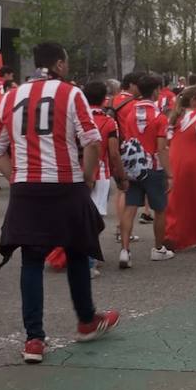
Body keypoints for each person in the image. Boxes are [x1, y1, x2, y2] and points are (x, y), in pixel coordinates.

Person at [0, 41, 119, 364]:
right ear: (59, 65)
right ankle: (86, 320)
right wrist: (87, 178)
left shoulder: (10, 96)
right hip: (65, 182)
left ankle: (34, 339)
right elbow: (91, 140)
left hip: (26, 187)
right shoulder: (70, 93)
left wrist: (15, 175)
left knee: (31, 261)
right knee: (77, 251)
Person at [116, 74, 172, 267]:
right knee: (160, 209)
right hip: (153, 168)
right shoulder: (159, 117)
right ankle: (158, 248)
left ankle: (125, 250)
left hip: (133, 167)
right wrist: (169, 173)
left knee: (130, 207)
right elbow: (162, 147)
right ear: (156, 91)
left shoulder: (131, 113)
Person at [163, 87, 196, 252]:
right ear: (194, 100)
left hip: (174, 159)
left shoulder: (174, 117)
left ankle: (173, 234)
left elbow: (167, 141)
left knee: (176, 199)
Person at [83, 81, 126, 277]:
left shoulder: (77, 118)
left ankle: (82, 255)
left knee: (80, 215)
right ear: (104, 99)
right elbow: (114, 153)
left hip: (76, 171)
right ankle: (88, 260)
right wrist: (121, 176)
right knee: (95, 217)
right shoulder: (108, 122)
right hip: (100, 172)